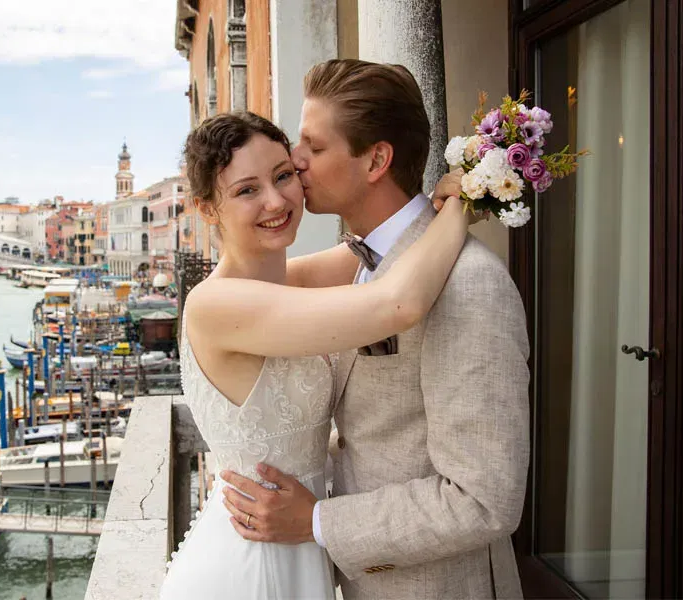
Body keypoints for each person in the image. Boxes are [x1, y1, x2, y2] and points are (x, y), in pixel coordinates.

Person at [219, 60, 530, 599]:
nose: (295, 160)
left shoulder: (469, 286)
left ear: (376, 160)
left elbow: (483, 500)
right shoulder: (363, 260)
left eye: (313, 148)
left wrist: (317, 521)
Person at [157, 108, 470, 599]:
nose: (276, 200)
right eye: (246, 190)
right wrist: (464, 205)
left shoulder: (290, 277)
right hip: (249, 562)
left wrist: (446, 195)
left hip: (300, 539)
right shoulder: (214, 304)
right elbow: (399, 303)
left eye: (284, 176)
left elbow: (394, 243)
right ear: (207, 209)